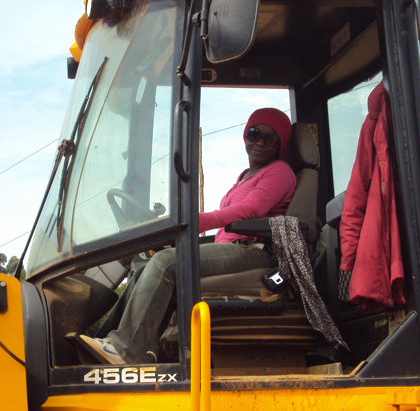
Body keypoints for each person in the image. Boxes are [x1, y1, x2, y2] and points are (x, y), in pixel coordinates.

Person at [79, 108, 297, 364]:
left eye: (269, 138)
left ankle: (125, 350)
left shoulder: (280, 171)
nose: (259, 141)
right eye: (253, 133)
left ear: (280, 143)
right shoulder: (245, 176)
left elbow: (251, 211)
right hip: (234, 249)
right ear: (245, 136)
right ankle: (105, 346)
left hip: (254, 253)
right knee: (147, 268)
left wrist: (191, 222)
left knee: (165, 263)